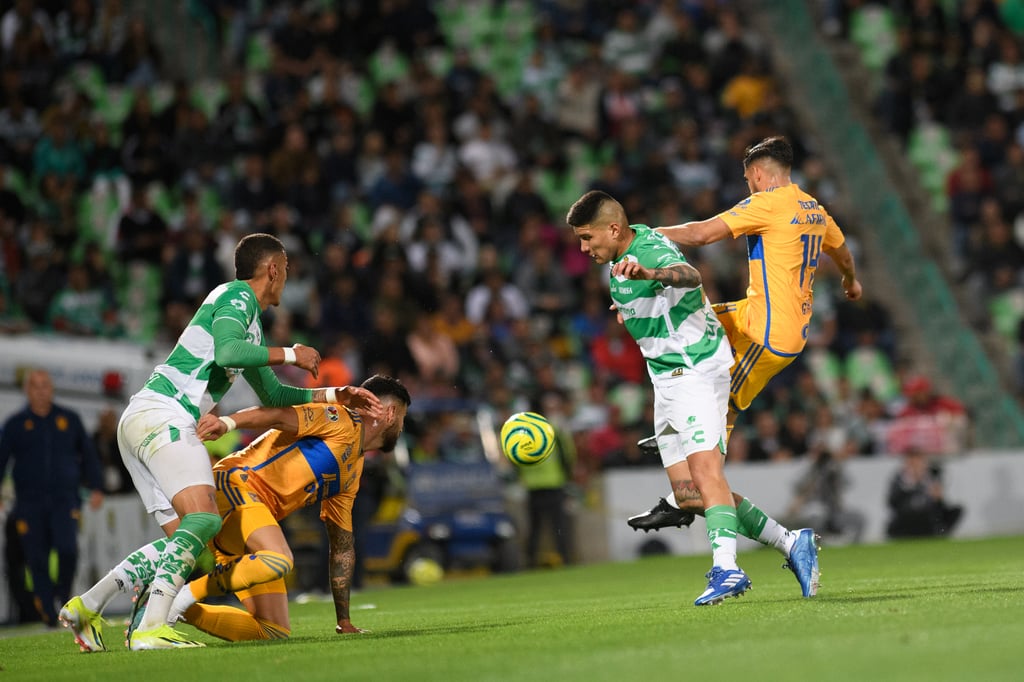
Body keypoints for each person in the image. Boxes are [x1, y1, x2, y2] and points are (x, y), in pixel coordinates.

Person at [58, 233, 383, 651]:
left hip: (144, 421)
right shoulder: (236, 296)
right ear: (273, 269)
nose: (287, 278)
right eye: (286, 268)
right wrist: (290, 354)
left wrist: (336, 394)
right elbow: (228, 352)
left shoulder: (251, 324)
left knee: (187, 542)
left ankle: (87, 605)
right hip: (166, 413)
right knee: (206, 520)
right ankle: (151, 627)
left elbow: (274, 396)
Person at [625, 136, 862, 541]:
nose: (748, 187)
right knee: (686, 321)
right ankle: (678, 429)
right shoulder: (814, 208)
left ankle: (683, 495)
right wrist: (850, 281)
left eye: (748, 179)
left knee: (724, 403)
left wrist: (643, 236)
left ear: (757, 174)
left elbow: (701, 234)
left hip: (768, 334)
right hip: (757, 315)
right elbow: (841, 251)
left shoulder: (767, 203)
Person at [568, 191, 751, 605]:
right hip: (666, 379)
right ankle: (790, 541)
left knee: (706, 473)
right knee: (687, 494)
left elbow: (689, 274)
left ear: (613, 229)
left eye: (586, 237)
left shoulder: (649, 250)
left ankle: (727, 569)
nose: (582, 248)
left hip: (696, 370)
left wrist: (652, 273)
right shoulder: (619, 260)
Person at [149, 374, 409, 642]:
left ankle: (160, 609)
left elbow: (342, 546)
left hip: (251, 517)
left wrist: (343, 620)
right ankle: (182, 595)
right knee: (279, 558)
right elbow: (277, 415)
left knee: (272, 630)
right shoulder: (339, 418)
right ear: (390, 413)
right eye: (403, 416)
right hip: (236, 484)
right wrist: (227, 423)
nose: (402, 426)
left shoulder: (352, 470)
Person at [0, 369, 104, 626]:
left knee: (68, 550)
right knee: (36, 558)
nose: (41, 391)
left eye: (45, 385)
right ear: (27, 391)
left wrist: (96, 487)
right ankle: (48, 612)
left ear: (52, 389)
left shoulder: (69, 419)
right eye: (35, 386)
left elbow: (88, 455)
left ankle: (62, 596)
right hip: (28, 503)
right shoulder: (15, 424)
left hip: (65, 501)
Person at [886, 448, 963, 538]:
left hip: (928, 516)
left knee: (957, 510)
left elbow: (941, 507)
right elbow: (892, 503)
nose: (916, 466)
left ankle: (942, 532)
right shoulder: (899, 479)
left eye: (919, 462)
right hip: (907, 517)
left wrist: (938, 498)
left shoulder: (933, 476)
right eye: (913, 463)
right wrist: (910, 485)